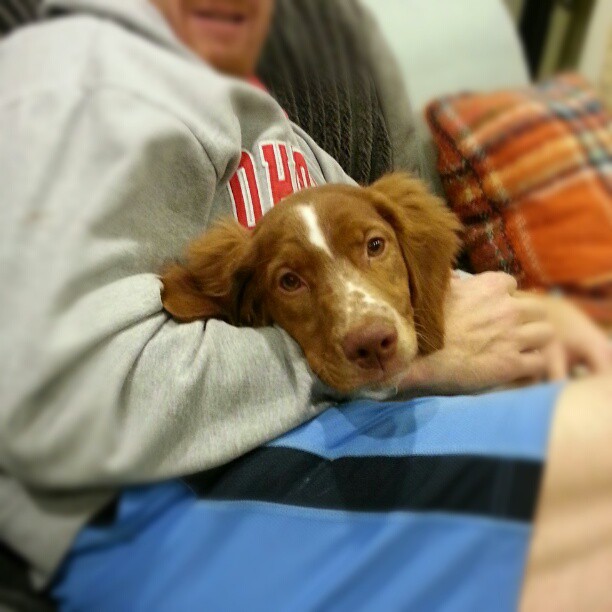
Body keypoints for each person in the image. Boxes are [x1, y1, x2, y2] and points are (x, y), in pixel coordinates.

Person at [0, 0, 610, 610]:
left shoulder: (272, 124)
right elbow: (59, 396)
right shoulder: (81, 81)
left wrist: (526, 313)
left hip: (315, 437)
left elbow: (373, 261)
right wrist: (416, 363)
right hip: (156, 513)